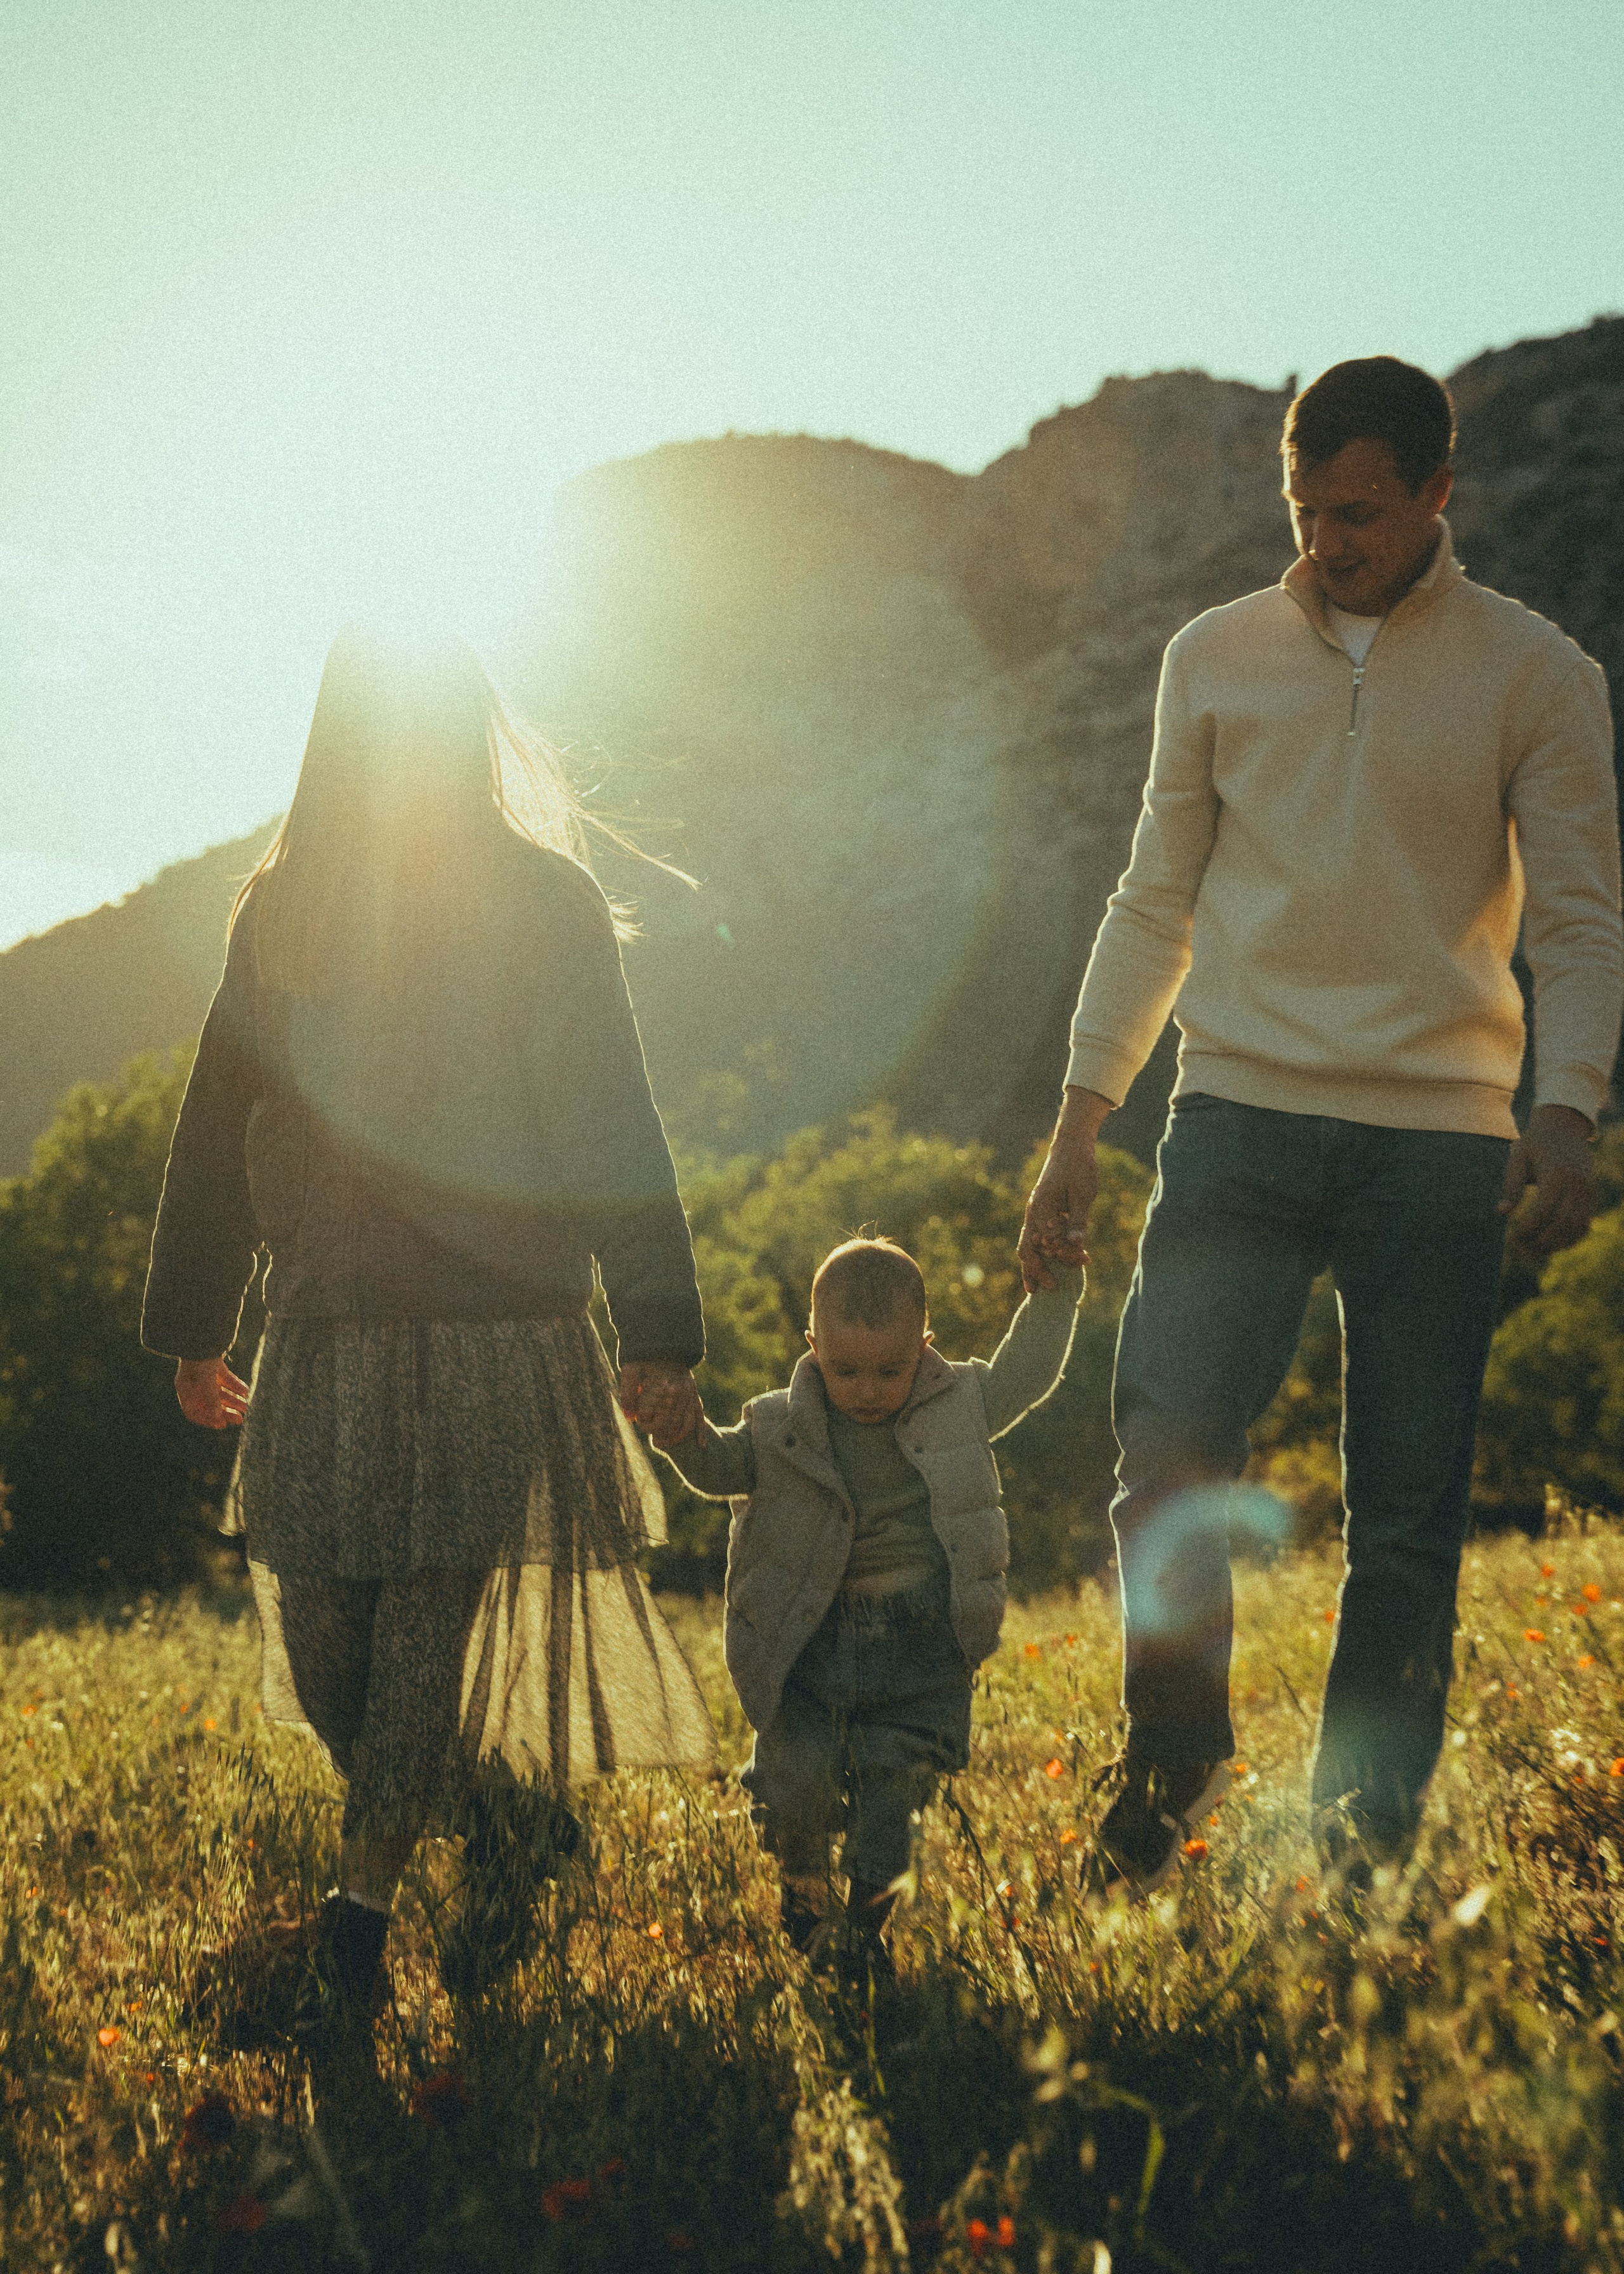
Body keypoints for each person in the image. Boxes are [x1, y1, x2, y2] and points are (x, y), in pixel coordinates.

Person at [1019, 355, 1623, 1893]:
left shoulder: (1536, 672)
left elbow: (1576, 915)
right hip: (1231, 1116)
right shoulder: (1211, 658)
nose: (1328, 538)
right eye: (1306, 508)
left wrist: (1563, 1108)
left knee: (1405, 1515)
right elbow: (1150, 898)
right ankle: (1170, 1764)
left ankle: (1361, 1854)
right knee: (1162, 1460)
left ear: (1435, 495)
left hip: (1435, 1146)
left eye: (1358, 511)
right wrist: (1080, 1118)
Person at [141, 625, 716, 2029]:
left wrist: (656, 1320)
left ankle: (356, 1932)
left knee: (415, 1645)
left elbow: (608, 1120)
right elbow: (216, 1129)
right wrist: (194, 1317)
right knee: (332, 1653)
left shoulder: (545, 902)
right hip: (324, 1330)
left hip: (494, 1333)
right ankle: (516, 1830)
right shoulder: (280, 907)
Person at [646, 1235, 1084, 1974]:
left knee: (895, 1795)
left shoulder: (959, 1405)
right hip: (809, 1644)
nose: (870, 1388)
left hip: (922, 1647)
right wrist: (682, 1434)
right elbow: (721, 1467)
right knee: (795, 1780)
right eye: (846, 1368)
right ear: (813, 1346)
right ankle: (805, 1892)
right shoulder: (777, 1423)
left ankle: (862, 1934)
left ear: (925, 1343)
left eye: (892, 1367)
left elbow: (1028, 1372)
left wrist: (1058, 1291)